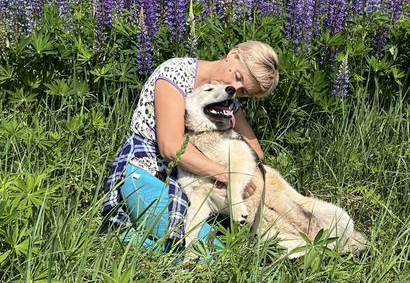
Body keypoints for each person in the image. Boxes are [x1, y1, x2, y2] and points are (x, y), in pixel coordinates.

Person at [101, 40, 279, 252]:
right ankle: (124, 239)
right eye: (238, 77)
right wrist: (227, 174)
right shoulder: (176, 73)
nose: (235, 89)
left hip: (192, 184)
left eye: (243, 93)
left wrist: (240, 166)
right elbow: (171, 148)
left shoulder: (226, 98)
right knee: (210, 252)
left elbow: (256, 151)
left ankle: (139, 236)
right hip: (147, 171)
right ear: (232, 55)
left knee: (220, 247)